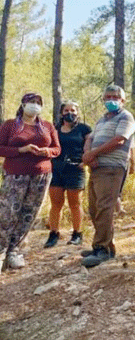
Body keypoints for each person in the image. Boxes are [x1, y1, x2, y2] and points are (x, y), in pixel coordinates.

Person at [0, 93, 60, 272]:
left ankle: (14, 250)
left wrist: (46, 152)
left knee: (29, 212)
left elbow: (57, 149)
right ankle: (1, 249)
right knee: (8, 211)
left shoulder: (47, 126)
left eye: (38, 103)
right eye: (31, 102)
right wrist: (21, 149)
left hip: (41, 175)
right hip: (15, 175)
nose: (34, 105)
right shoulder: (11, 125)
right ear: (23, 104)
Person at [80, 85, 135, 268]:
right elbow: (90, 138)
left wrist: (94, 153)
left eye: (115, 97)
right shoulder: (102, 120)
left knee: (105, 208)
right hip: (96, 168)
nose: (111, 100)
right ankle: (105, 246)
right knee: (94, 209)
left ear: (123, 100)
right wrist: (88, 154)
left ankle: (101, 250)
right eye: (108, 96)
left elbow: (120, 139)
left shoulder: (126, 117)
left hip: (112, 168)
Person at [45, 101, 92, 248]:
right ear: (61, 113)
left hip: (75, 169)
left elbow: (90, 147)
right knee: (56, 204)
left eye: (73, 110)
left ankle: (77, 233)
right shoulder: (55, 129)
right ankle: (53, 234)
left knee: (75, 203)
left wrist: (85, 162)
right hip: (56, 169)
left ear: (77, 113)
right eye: (66, 110)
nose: (69, 113)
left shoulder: (84, 129)